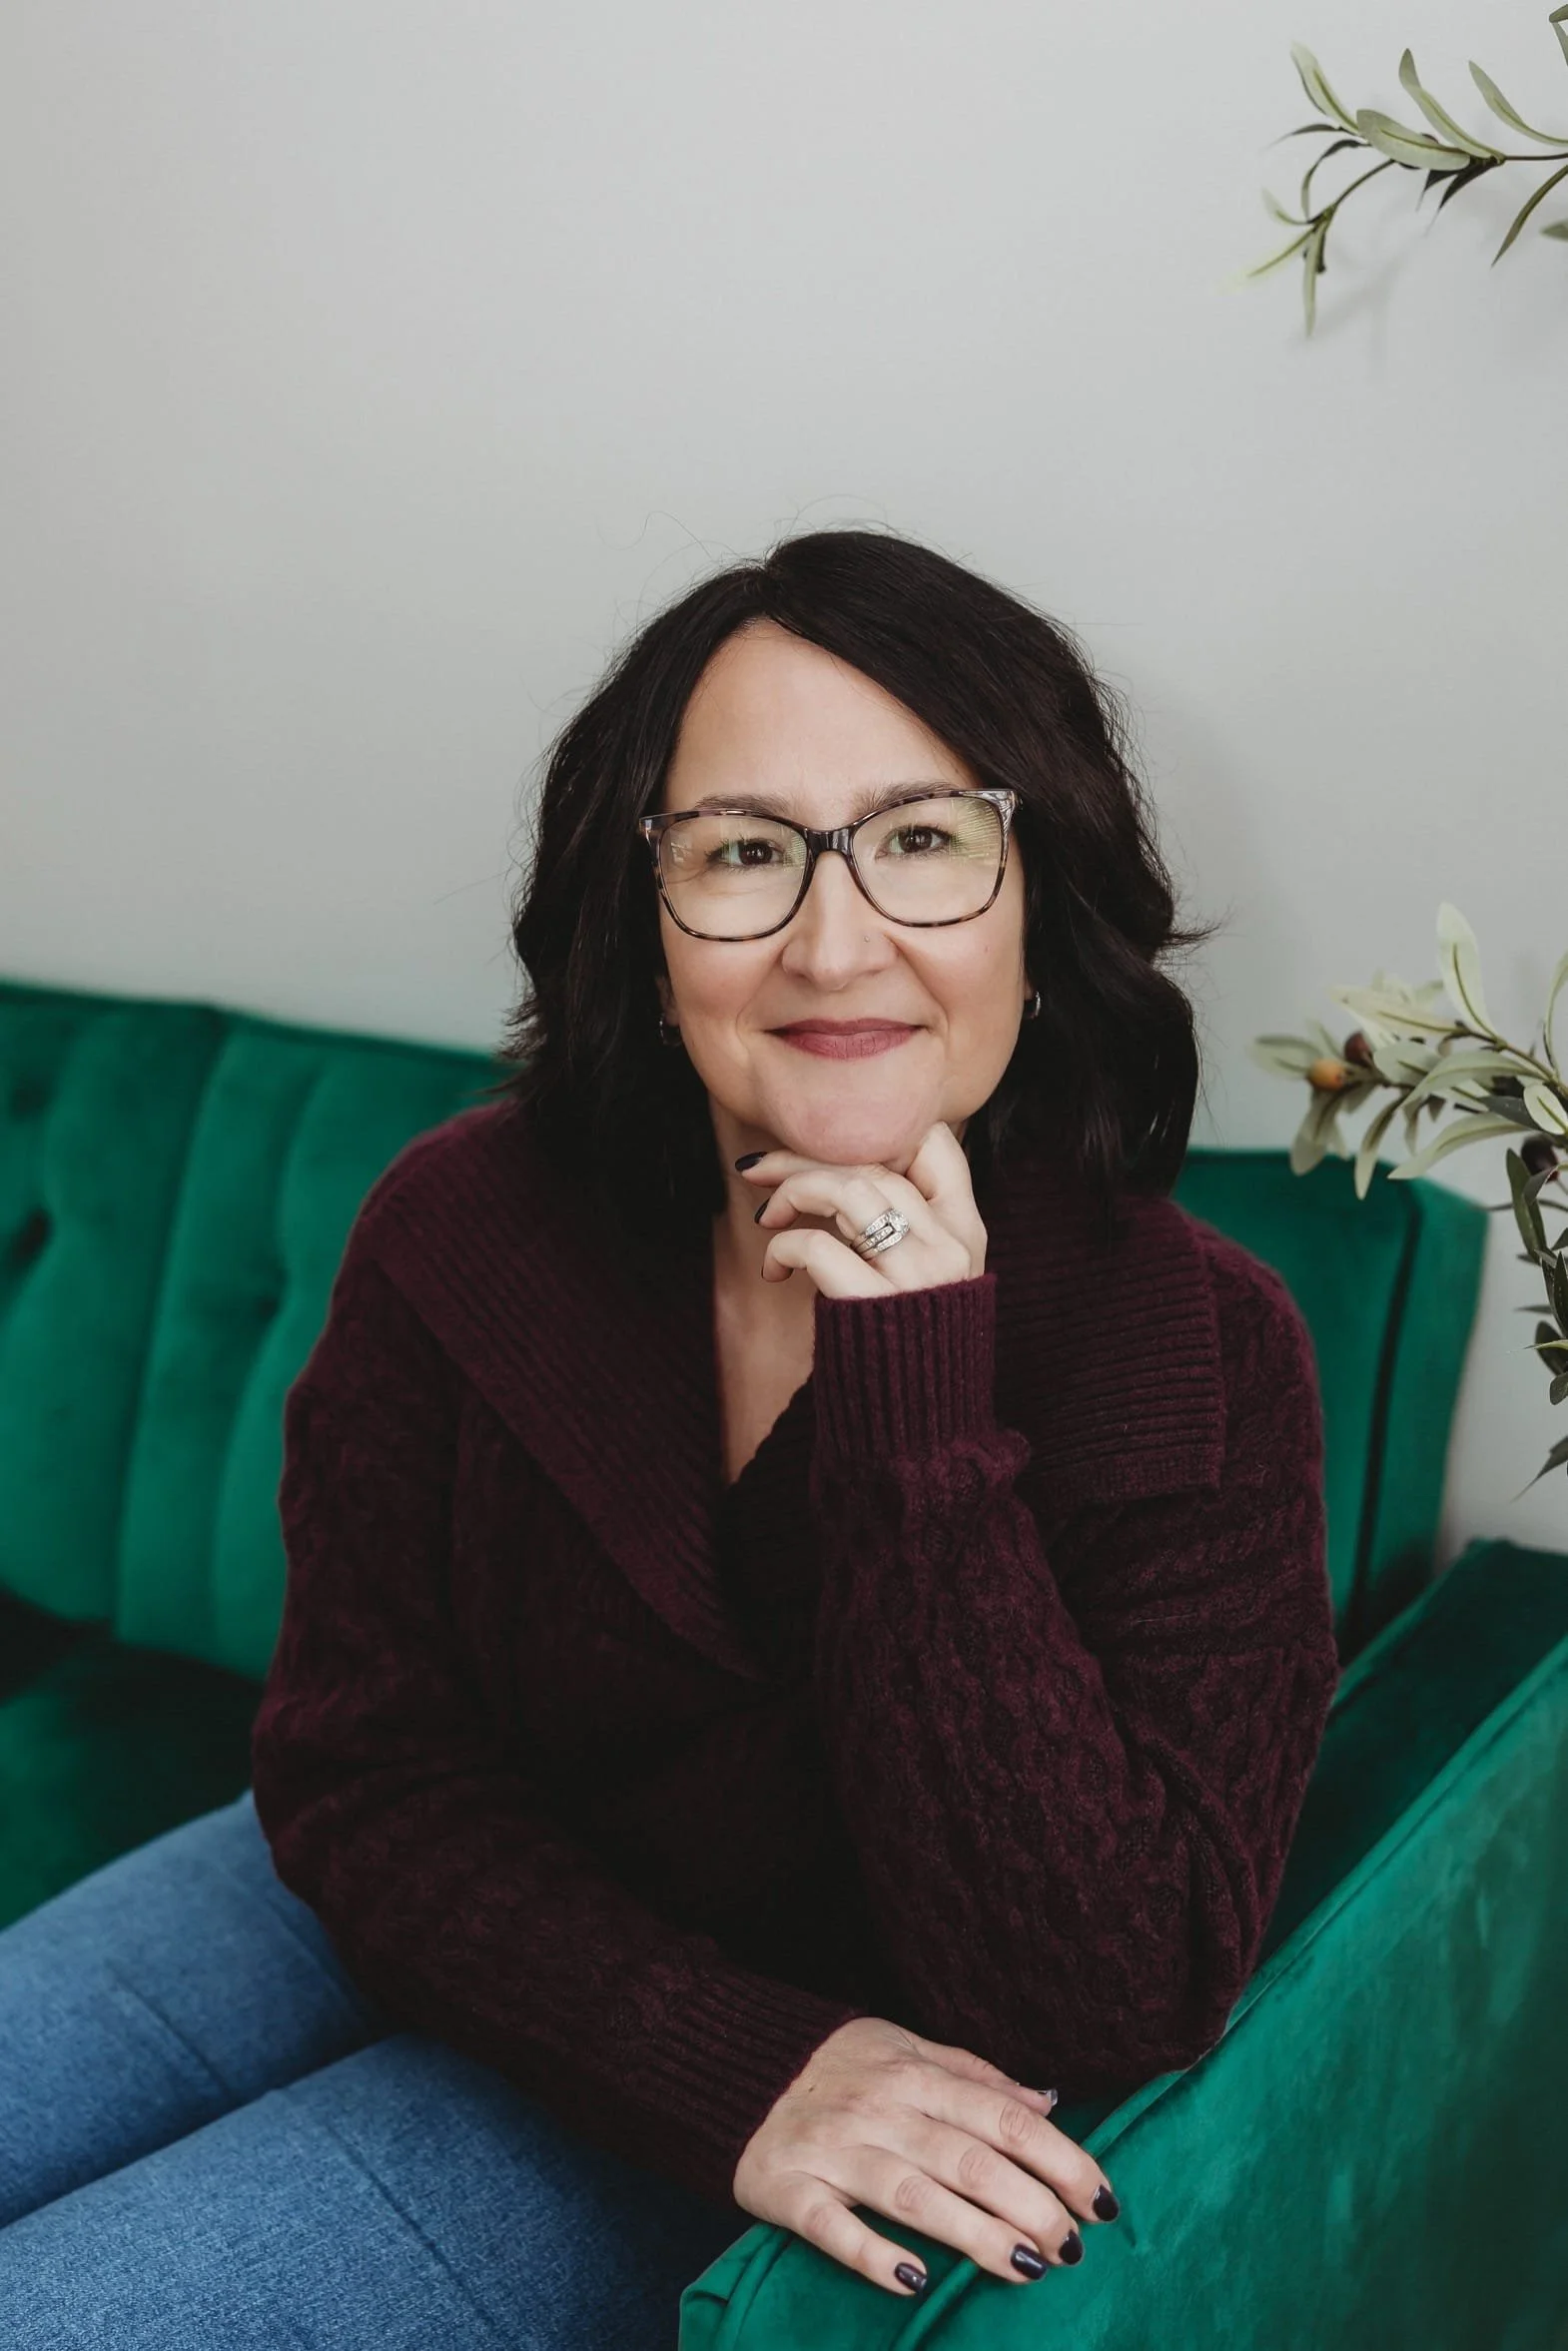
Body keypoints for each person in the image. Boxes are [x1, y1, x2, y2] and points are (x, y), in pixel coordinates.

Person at [0, 527, 1341, 2346]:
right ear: (641, 925)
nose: (835, 941)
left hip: (782, 2067)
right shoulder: (464, 1221)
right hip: (437, 1914)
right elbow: (357, 1765)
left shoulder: (1200, 1348)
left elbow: (1104, 1990)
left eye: (922, 840)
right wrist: (705, 2050)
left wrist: (915, 1397)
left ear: (1041, 905)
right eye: (742, 851)